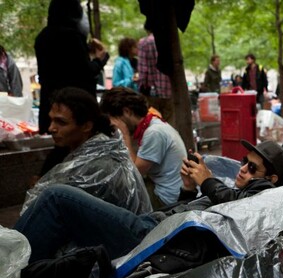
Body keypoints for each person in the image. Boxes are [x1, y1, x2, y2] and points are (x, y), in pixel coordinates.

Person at [14, 140, 283, 265]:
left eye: (252, 169)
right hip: (156, 228)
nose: (243, 170)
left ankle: (10, 266)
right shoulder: (235, 189)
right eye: (244, 162)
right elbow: (190, 214)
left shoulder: (264, 196)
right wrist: (188, 187)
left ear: (271, 178)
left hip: (152, 236)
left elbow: (238, 207)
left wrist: (207, 180)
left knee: (57, 198)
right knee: (67, 202)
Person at [21, 87, 151, 216]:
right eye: (52, 120)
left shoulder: (100, 166)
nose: (51, 128)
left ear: (86, 126)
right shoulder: (72, 153)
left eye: (61, 122)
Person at [35, 0, 109, 176]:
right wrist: (100, 59)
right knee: (68, 148)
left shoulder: (43, 36)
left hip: (52, 101)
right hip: (74, 105)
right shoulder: (72, 37)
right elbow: (85, 71)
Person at [99, 87, 186, 209]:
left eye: (114, 120)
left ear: (127, 112)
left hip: (167, 199)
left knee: (115, 196)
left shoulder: (154, 132)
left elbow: (134, 172)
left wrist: (125, 135)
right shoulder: (153, 124)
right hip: (162, 187)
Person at [138, 22, 173, 123]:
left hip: (151, 92)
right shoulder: (168, 41)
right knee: (169, 123)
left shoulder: (144, 43)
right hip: (168, 91)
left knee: (153, 122)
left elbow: (143, 69)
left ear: (147, 29)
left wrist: (141, 86)